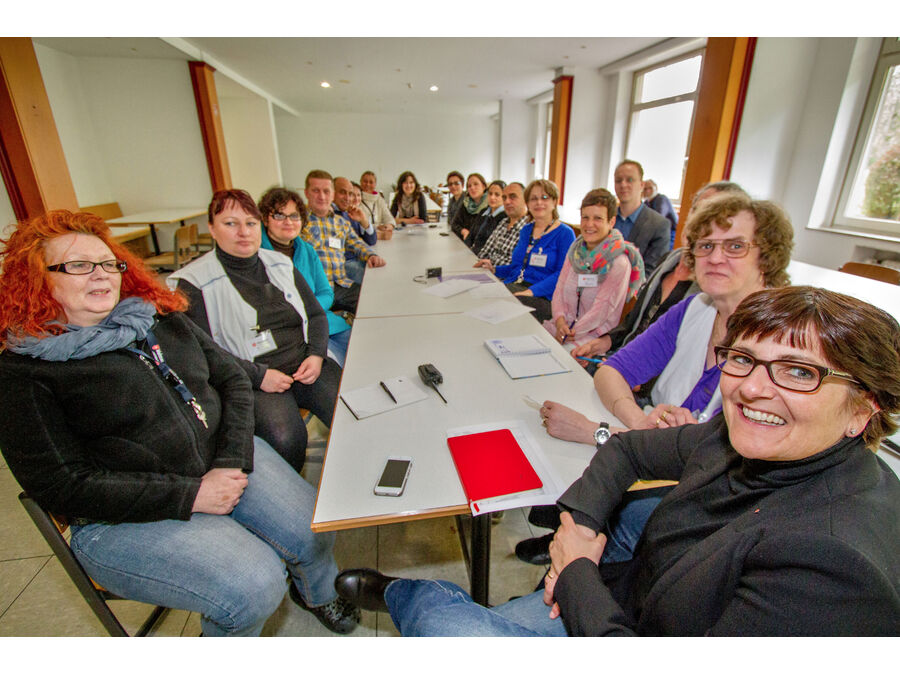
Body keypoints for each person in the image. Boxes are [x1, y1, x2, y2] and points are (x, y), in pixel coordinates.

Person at [334, 286, 900, 636]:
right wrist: (576, 530)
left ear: (865, 406)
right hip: (634, 587)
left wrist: (575, 571)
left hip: (625, 628)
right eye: (743, 359)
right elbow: (628, 447)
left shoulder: (833, 566)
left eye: (799, 372)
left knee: (445, 628)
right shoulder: (741, 435)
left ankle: (408, 595)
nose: (752, 388)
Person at [0, 210, 360, 636]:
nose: (100, 275)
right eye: (78, 265)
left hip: (218, 462)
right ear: (37, 279)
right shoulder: (24, 372)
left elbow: (231, 378)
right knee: (255, 585)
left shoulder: (157, 318)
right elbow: (61, 485)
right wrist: (192, 495)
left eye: (108, 263)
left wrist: (229, 460)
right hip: (123, 516)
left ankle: (317, 592)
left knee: (313, 527)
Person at [517, 191, 793, 565]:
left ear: (768, 256)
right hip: (656, 452)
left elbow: (716, 463)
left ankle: (579, 565)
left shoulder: (784, 343)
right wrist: (638, 422)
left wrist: (597, 432)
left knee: (626, 510)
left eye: (734, 246)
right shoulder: (694, 310)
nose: (714, 257)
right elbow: (613, 370)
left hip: (713, 500)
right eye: (706, 245)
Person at [169, 189, 341, 473]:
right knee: (286, 438)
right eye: (230, 223)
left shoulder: (281, 264)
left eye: (250, 223)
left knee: (350, 414)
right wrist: (259, 376)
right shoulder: (194, 283)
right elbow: (204, 355)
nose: (243, 232)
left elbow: (315, 315)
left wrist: (316, 354)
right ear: (211, 228)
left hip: (305, 364)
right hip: (251, 378)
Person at [572, 180, 747, 366]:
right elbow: (635, 322)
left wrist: (628, 372)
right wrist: (602, 343)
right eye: (699, 210)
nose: (702, 222)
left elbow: (686, 360)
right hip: (622, 356)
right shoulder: (669, 260)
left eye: (715, 216)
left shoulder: (715, 288)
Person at [257, 186, 352, 367]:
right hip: (290, 335)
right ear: (265, 219)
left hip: (322, 323)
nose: (288, 222)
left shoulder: (307, 250)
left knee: (361, 352)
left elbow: (326, 293)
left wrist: (307, 310)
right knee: (338, 367)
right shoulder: (255, 255)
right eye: (279, 215)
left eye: (294, 216)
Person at [543, 188, 645, 351]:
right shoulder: (575, 252)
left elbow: (601, 311)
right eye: (585, 217)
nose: (589, 224)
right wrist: (560, 321)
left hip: (592, 337)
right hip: (561, 327)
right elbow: (559, 290)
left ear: (611, 222)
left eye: (598, 218)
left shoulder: (619, 262)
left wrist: (571, 333)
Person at [482, 179, 575, 323]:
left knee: (497, 310)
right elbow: (517, 266)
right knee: (481, 296)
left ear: (554, 201)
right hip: (516, 287)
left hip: (543, 297)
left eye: (544, 197)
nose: (538, 202)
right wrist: (494, 270)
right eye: (533, 199)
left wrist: (530, 292)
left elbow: (562, 275)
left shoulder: (565, 234)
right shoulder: (526, 230)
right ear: (528, 203)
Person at [303, 169, 386, 314]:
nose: (322, 196)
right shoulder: (297, 222)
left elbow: (356, 243)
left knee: (376, 301)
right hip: (316, 291)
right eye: (316, 191)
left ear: (332, 194)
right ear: (306, 193)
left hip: (341, 286)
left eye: (326, 191)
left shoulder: (340, 222)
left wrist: (371, 255)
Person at [613, 160, 671, 273]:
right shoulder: (605, 218)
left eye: (630, 180)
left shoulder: (659, 225)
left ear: (641, 185)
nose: (623, 185)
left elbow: (652, 272)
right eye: (618, 180)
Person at [473, 182, 529, 269]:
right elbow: (484, 253)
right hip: (486, 272)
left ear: (526, 200)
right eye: (504, 198)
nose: (507, 202)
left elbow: (516, 266)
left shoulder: (530, 228)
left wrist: (492, 267)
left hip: (502, 276)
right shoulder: (503, 222)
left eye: (513, 197)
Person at [334, 176, 377, 284]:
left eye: (350, 194)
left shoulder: (349, 213)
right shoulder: (332, 214)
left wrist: (364, 221)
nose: (348, 198)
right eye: (342, 192)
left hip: (357, 259)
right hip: (345, 265)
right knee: (375, 279)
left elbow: (371, 240)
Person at [464, 179, 506, 253]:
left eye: (497, 195)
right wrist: (464, 249)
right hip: (471, 252)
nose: (492, 197)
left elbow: (491, 245)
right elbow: (471, 235)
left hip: (483, 255)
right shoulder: (483, 212)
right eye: (490, 194)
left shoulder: (505, 217)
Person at [449, 172, 489, 240]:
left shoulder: (489, 205)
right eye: (469, 186)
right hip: (464, 242)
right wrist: (463, 231)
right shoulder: (466, 203)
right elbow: (454, 224)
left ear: (483, 186)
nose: (472, 188)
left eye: (476, 184)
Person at [642, 179, 678, 246]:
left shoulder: (661, 199)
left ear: (656, 188)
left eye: (650, 188)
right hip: (657, 232)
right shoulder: (646, 202)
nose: (647, 191)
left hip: (670, 233)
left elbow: (658, 220)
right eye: (645, 189)